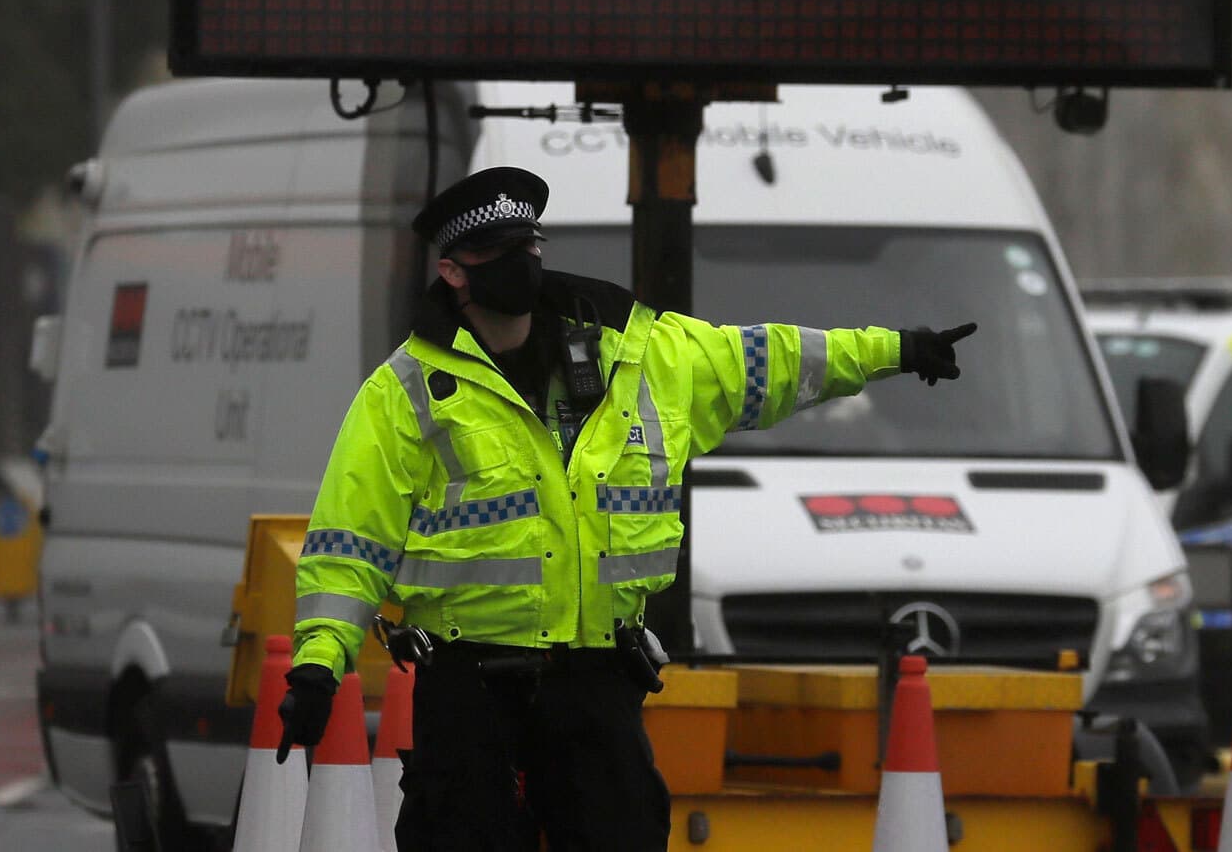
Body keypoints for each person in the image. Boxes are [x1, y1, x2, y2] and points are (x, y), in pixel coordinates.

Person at [281, 167, 976, 851]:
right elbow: (352, 541)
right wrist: (319, 663)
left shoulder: (641, 354)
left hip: (597, 687)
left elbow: (774, 360)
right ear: (455, 273)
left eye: (529, 247)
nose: (521, 265)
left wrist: (898, 349)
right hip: (468, 690)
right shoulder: (406, 392)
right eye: (498, 255)